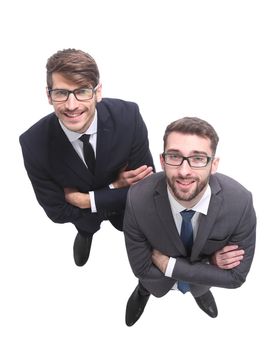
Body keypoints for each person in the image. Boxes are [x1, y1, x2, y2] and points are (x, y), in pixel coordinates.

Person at [19, 48, 154, 267]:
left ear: (98, 92)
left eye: (82, 91)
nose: (72, 106)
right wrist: (115, 186)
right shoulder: (33, 143)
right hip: (84, 218)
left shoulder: (128, 117)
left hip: (125, 212)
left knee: (136, 234)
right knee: (87, 225)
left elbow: (147, 191)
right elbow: (56, 211)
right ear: (48, 95)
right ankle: (86, 234)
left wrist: (85, 199)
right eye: (61, 93)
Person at [124, 117, 256, 326]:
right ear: (162, 160)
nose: (184, 171)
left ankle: (199, 291)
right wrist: (211, 267)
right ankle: (144, 291)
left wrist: (171, 265)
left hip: (199, 281)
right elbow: (141, 268)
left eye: (198, 158)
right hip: (156, 281)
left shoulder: (240, 202)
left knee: (200, 284)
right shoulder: (137, 198)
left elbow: (235, 278)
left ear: (214, 164)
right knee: (147, 282)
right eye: (175, 156)